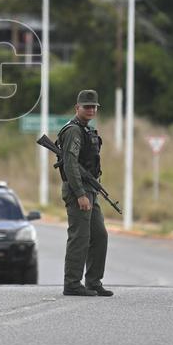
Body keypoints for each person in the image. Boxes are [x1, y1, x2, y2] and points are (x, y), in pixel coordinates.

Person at [58, 89, 111, 297]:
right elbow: (70, 164)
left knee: (99, 235)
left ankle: (93, 281)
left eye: (93, 107)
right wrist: (80, 193)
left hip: (89, 189)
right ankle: (72, 283)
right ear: (77, 108)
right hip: (77, 190)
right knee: (80, 236)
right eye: (86, 106)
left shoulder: (87, 130)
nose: (90, 109)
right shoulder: (73, 131)